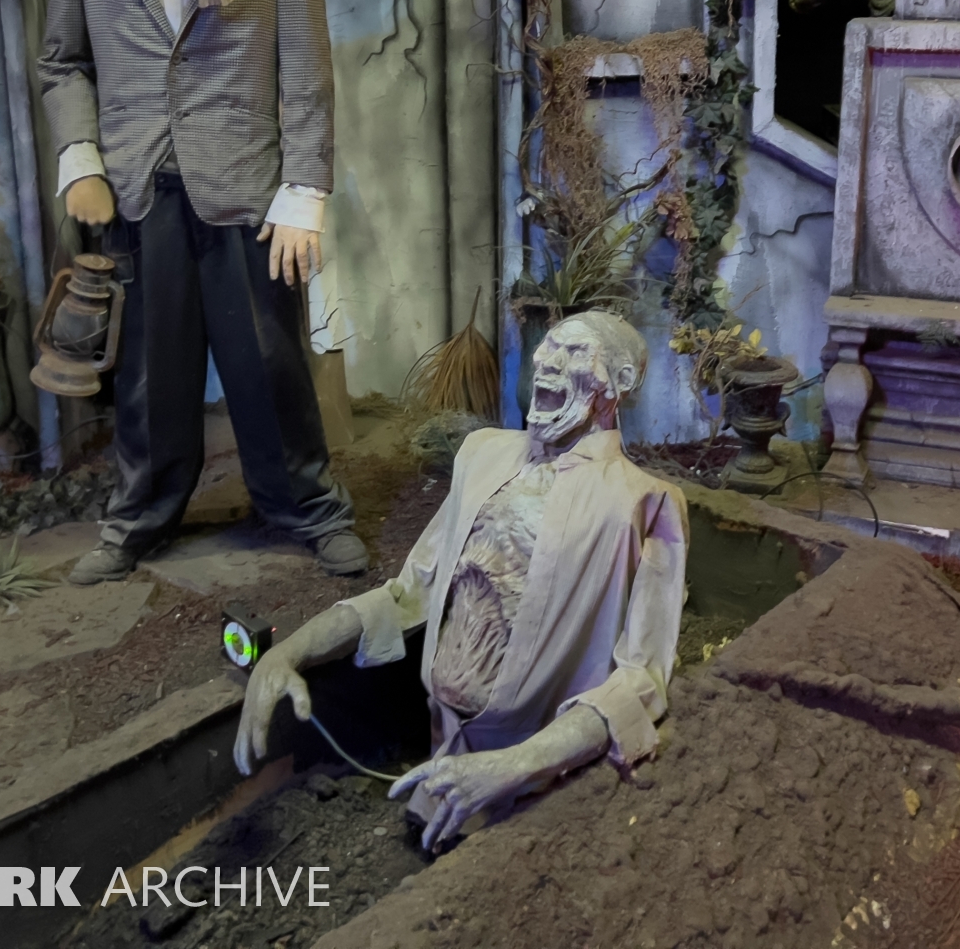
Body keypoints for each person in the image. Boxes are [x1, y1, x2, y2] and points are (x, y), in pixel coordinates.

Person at [38, 0, 367, 582]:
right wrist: (81, 157)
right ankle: (139, 517)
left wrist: (304, 195)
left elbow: (306, 76)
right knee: (149, 372)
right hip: (137, 188)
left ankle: (305, 507)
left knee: (269, 363)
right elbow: (62, 62)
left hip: (246, 191)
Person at [234, 312, 688, 849]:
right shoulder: (482, 454)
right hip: (439, 747)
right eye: (549, 346)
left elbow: (640, 680)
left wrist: (515, 764)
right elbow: (411, 591)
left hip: (534, 786)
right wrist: (289, 653)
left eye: (573, 352)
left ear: (619, 382)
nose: (546, 361)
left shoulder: (644, 503)